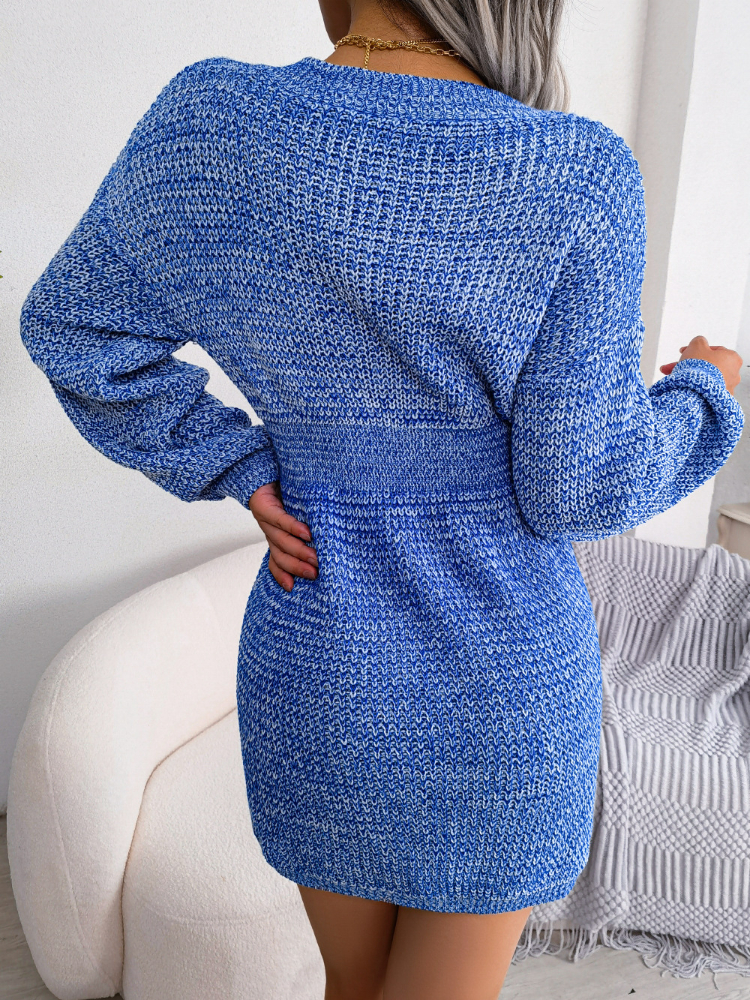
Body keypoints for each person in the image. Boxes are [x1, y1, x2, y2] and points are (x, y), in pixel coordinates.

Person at [19, 0, 744, 997]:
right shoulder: (576, 174)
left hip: (321, 659)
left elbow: (76, 328)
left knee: (351, 987)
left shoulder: (212, 122)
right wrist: (705, 389)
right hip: (501, 685)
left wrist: (242, 466)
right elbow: (582, 485)